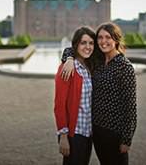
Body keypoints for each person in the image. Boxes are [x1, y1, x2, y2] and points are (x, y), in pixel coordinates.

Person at [60, 22, 137, 165]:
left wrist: (127, 140)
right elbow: (73, 48)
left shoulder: (125, 67)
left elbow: (130, 107)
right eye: (100, 38)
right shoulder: (98, 60)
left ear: (116, 40)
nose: (103, 41)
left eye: (108, 37)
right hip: (96, 131)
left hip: (115, 133)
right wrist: (69, 59)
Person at [54, 26, 97, 165]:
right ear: (76, 45)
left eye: (91, 43)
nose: (88, 47)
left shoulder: (90, 66)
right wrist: (63, 136)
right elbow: (59, 105)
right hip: (74, 134)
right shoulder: (67, 68)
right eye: (83, 43)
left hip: (88, 132)